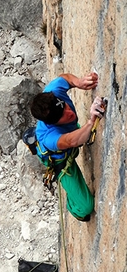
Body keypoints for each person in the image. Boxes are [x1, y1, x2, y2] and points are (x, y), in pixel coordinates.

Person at [30, 72, 106, 221]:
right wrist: (91, 122)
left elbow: (64, 78)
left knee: (78, 130)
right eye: (62, 115)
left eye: (64, 106)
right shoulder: (50, 137)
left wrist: (79, 82)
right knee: (86, 207)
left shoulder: (53, 93)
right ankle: (74, 208)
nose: (69, 112)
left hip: (70, 134)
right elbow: (72, 141)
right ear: (52, 123)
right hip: (60, 159)